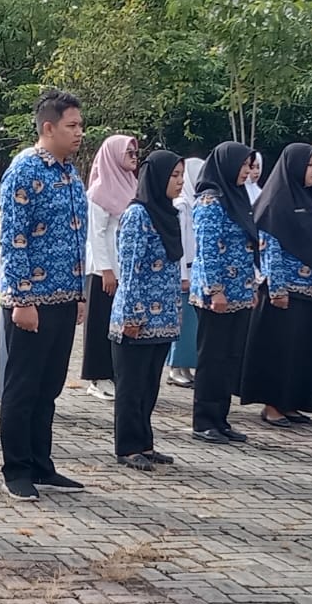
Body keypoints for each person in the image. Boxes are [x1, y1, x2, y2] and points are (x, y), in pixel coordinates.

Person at [0, 89, 88, 502]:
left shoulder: (70, 173)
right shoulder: (24, 171)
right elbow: (13, 240)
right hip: (31, 300)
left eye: (80, 126)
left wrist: (80, 293)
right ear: (48, 128)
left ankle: (41, 463)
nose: (79, 133)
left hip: (65, 297)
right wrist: (22, 299)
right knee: (23, 387)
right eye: (72, 126)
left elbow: (77, 237)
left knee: (49, 386)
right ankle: (16, 469)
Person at [240, 144, 312, 428]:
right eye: (308, 165)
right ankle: (273, 406)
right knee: (280, 350)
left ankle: (293, 402)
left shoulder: (311, 200)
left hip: (309, 290)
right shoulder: (276, 202)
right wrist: (278, 289)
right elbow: (269, 247)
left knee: (303, 350)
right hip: (282, 294)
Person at [109, 149, 185, 470]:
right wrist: (132, 316)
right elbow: (130, 270)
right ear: (156, 178)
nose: (180, 182)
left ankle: (145, 443)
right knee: (131, 387)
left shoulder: (169, 214)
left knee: (150, 386)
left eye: (182, 175)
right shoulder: (137, 215)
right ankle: (127, 447)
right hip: (136, 318)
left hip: (163, 319)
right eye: (174, 176)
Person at [189, 142, 257, 445]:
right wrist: (215, 290)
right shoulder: (210, 201)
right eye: (243, 165)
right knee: (212, 358)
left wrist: (250, 286)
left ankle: (221, 419)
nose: (247, 172)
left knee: (231, 358)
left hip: (240, 291)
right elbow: (207, 251)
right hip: (215, 294)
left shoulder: (238, 197)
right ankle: (204, 420)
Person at [81, 134, 139, 402]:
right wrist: (106, 270)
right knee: (100, 323)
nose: (134, 158)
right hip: (104, 271)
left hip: (125, 269)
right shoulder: (99, 192)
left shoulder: (131, 185)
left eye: (135, 153)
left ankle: (116, 373)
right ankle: (98, 377)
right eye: (128, 153)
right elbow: (97, 234)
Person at [164, 158, 205, 389]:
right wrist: (182, 275)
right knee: (181, 324)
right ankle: (175, 367)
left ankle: (185, 367)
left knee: (190, 326)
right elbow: (179, 244)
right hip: (184, 272)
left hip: (192, 270)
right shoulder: (180, 206)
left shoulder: (191, 203)